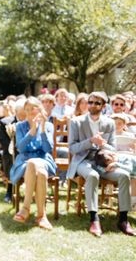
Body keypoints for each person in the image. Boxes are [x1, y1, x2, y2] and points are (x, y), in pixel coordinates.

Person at [67, 91, 135, 237]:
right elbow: (72, 148)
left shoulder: (109, 122)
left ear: (103, 106)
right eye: (90, 102)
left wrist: (103, 145)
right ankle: (94, 219)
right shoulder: (76, 122)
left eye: (97, 103)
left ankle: (123, 220)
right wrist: (90, 141)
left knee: (124, 175)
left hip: (103, 161)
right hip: (83, 160)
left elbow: (112, 147)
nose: (92, 105)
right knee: (92, 176)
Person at [9, 97, 57, 230]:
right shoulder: (20, 126)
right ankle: (42, 216)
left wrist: (41, 129)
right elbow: (21, 148)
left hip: (44, 159)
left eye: (33, 108)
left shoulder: (48, 125)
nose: (30, 112)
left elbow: (47, 149)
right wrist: (32, 131)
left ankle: (25, 208)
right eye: (27, 109)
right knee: (36, 167)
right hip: (24, 161)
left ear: (39, 109)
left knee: (36, 165)